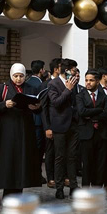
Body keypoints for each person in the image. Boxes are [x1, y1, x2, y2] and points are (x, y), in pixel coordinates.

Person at [0, 63, 42, 196]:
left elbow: (38, 106)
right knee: (9, 160)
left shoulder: (30, 88)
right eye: (16, 76)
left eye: (21, 76)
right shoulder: (3, 87)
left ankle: (19, 191)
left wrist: (36, 108)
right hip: (8, 129)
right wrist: (4, 104)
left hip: (25, 129)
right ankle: (7, 193)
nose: (18, 79)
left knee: (22, 161)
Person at [47, 59, 80, 199]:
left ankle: (73, 186)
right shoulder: (53, 84)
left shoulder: (74, 83)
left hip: (74, 125)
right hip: (60, 125)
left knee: (72, 157)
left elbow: (76, 102)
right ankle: (59, 188)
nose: (75, 73)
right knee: (60, 157)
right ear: (66, 70)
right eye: (73, 70)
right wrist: (68, 90)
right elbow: (56, 103)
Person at [75, 70, 107, 188]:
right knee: (87, 164)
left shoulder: (104, 96)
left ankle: (98, 189)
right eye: (86, 80)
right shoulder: (80, 96)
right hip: (86, 134)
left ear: (97, 81)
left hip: (101, 133)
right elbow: (82, 112)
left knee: (100, 164)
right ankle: (86, 190)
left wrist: (90, 114)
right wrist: (99, 110)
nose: (88, 83)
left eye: (91, 80)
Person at [40, 58, 61, 189]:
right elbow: (44, 108)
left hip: (64, 125)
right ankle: (51, 178)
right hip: (51, 125)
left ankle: (61, 177)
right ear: (56, 69)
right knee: (50, 152)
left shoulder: (66, 84)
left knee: (62, 153)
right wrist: (47, 127)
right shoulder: (46, 84)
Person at [26, 60, 48, 182]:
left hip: (30, 120)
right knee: (38, 150)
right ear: (41, 70)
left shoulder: (28, 81)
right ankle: (36, 174)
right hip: (38, 120)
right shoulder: (40, 84)